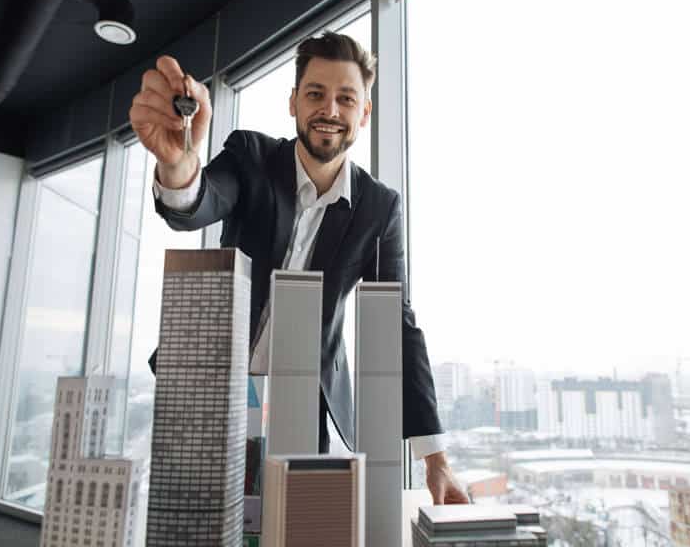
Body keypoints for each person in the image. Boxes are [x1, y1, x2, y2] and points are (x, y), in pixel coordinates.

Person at [129, 31, 468, 505]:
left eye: (345, 98)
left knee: (300, 526)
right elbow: (200, 201)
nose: (329, 110)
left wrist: (436, 458)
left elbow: (397, 322)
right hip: (212, 389)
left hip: (307, 405)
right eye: (315, 94)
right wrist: (179, 166)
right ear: (293, 103)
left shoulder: (378, 207)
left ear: (363, 113)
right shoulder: (251, 157)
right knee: (195, 519)